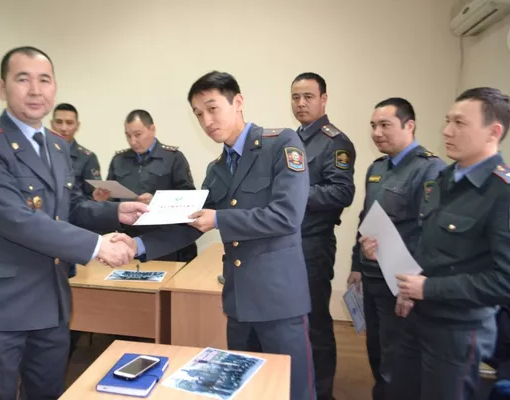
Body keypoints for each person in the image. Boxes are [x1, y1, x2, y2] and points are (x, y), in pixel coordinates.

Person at [0, 46, 148, 400]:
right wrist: (97, 246)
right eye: (22, 79)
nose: (35, 90)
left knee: (47, 393)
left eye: (44, 80)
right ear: (1, 87)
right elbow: (16, 219)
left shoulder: (57, 147)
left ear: (54, 87)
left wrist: (116, 212)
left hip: (51, 302)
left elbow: (68, 207)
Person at [112, 71, 315, 400]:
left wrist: (219, 218)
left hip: (278, 300)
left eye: (212, 108)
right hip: (237, 302)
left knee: (293, 391)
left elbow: (287, 216)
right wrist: (137, 244)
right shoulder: (217, 168)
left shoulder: (281, 144)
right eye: (198, 114)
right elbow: (190, 224)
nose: (206, 121)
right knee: (245, 391)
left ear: (238, 102)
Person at [361, 87, 510, 400]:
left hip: (458, 331)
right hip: (417, 317)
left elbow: (504, 281)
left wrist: (428, 288)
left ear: (493, 132)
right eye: (447, 120)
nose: (446, 131)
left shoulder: (502, 193)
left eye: (460, 123)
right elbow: (429, 246)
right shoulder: (446, 179)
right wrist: (405, 284)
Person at [347, 97, 446, 400]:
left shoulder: (429, 169)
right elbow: (366, 219)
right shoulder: (377, 168)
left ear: (409, 125)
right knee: (377, 353)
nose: (377, 133)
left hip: (401, 283)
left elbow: (431, 234)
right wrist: (356, 265)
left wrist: (411, 285)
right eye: (373, 126)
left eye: (385, 125)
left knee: (399, 363)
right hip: (373, 278)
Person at [290, 72, 356, 400]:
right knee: (291, 320)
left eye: (308, 97)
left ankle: (323, 392)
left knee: (314, 322)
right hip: (286, 244)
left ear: (323, 99)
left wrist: (294, 194)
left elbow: (342, 192)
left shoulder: (335, 142)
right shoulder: (290, 139)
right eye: (295, 97)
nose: (301, 103)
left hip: (313, 245)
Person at [105, 109, 197, 262]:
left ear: (152, 129)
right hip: (128, 242)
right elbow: (112, 202)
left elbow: (188, 198)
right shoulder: (119, 160)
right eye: (128, 135)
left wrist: (156, 201)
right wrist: (103, 199)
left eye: (137, 134)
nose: (132, 141)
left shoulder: (173, 158)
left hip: (165, 242)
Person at [50, 103, 102, 199]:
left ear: (77, 126)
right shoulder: (41, 152)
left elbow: (94, 198)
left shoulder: (87, 158)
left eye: (69, 123)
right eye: (59, 122)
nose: (63, 128)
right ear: (52, 124)